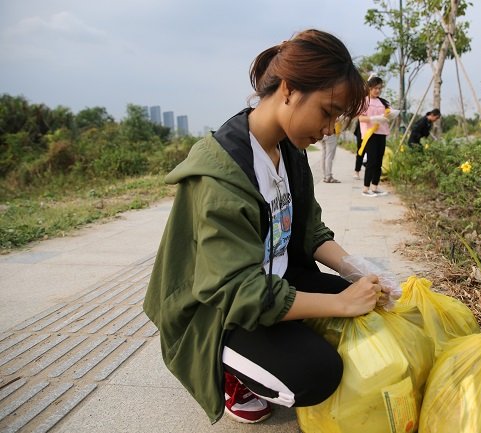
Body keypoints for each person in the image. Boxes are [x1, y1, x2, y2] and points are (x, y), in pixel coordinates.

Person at [143, 29, 391, 425]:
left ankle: (275, 343)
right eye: (328, 112)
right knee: (318, 374)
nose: (330, 129)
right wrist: (340, 304)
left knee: (368, 303)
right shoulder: (224, 173)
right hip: (214, 310)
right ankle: (228, 373)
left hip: (269, 280)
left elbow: (309, 230)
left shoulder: (289, 150)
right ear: (290, 90)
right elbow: (239, 293)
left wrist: (355, 269)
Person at [358, 76, 391, 197]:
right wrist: (372, 118)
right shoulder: (365, 101)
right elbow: (360, 117)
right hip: (370, 134)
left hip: (381, 133)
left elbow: (389, 114)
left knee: (378, 161)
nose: (377, 91)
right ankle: (366, 189)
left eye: (379, 88)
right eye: (375, 88)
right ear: (369, 88)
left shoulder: (383, 102)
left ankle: (375, 187)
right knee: (371, 162)